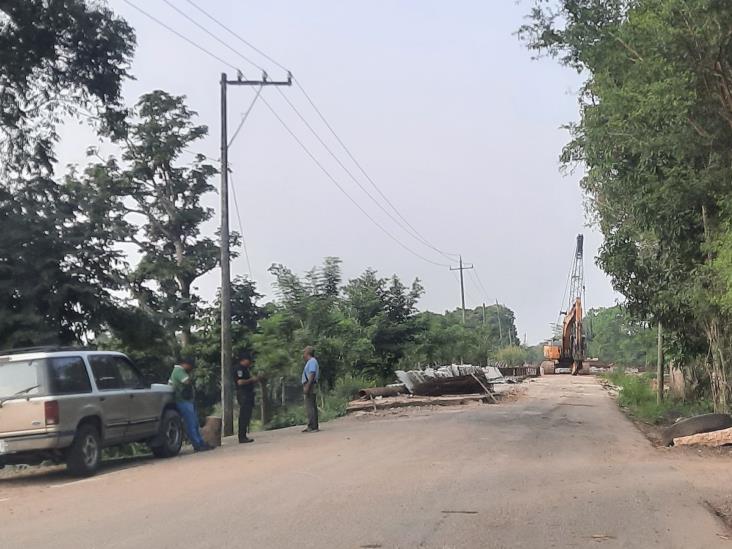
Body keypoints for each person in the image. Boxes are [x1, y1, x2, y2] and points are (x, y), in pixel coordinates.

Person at [168, 357, 211, 452]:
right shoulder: (179, 371)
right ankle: (197, 444)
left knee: (195, 423)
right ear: (185, 364)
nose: (190, 368)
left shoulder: (178, 371)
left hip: (187, 401)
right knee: (191, 424)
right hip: (183, 401)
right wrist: (193, 377)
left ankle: (201, 443)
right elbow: (186, 381)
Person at [233, 353, 261, 443]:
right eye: (248, 361)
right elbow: (240, 382)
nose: (249, 363)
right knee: (244, 415)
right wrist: (252, 380)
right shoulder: (239, 368)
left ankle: (243, 435)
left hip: (247, 394)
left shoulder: (244, 369)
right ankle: (242, 436)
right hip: (243, 394)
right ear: (244, 360)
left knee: (247, 415)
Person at [301, 346, 319, 433]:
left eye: (304, 352)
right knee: (311, 405)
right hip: (310, 384)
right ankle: (312, 425)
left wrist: (307, 386)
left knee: (310, 406)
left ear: (307, 353)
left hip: (310, 385)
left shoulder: (312, 361)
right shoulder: (311, 361)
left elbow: (312, 374)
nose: (303, 354)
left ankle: (312, 426)